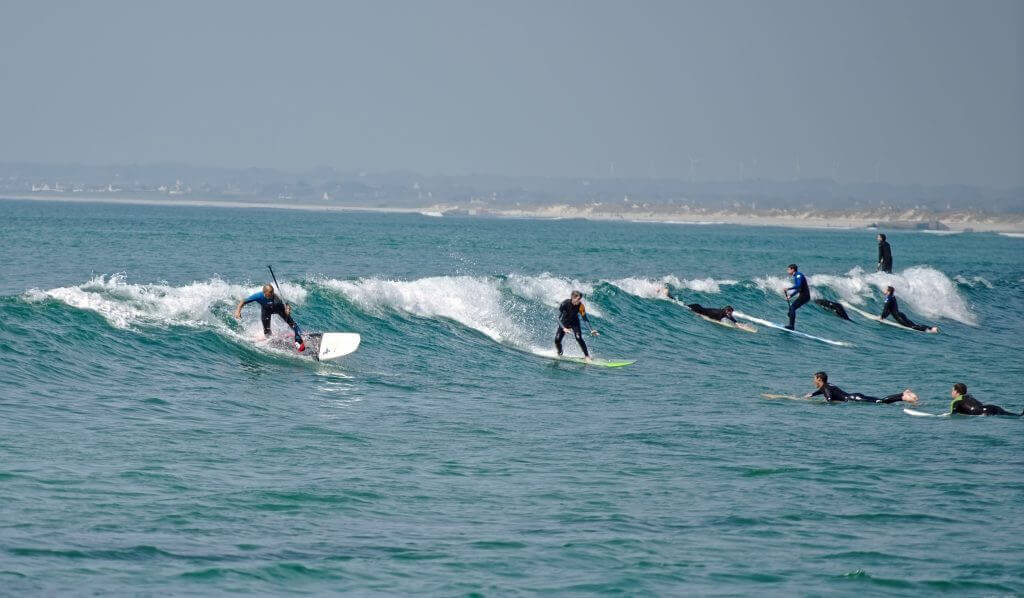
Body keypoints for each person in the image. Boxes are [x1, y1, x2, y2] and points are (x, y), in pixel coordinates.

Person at [234, 284, 305, 351]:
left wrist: (288, 309)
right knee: (266, 331)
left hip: (279, 309)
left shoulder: (276, 297)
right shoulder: (258, 296)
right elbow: (243, 301)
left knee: (292, 323)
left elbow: (287, 304)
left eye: (273, 291)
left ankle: (300, 336)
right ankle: (271, 341)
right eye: (270, 292)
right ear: (264, 292)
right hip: (266, 311)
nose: (272, 293)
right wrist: (238, 311)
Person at [804, 371, 919, 404]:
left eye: (814, 378)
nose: (813, 380)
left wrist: (824, 402)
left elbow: (829, 399)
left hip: (854, 399)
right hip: (855, 396)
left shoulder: (826, 388)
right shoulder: (827, 385)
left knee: (880, 401)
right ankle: (902, 394)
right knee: (879, 400)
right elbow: (821, 391)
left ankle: (903, 397)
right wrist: (812, 395)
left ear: (820, 379)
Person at [555, 290, 598, 361]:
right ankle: (560, 353)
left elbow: (585, 319)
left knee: (578, 337)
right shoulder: (564, 304)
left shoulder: (581, 306)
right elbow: (557, 318)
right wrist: (564, 328)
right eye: (578, 299)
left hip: (575, 323)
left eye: (580, 299)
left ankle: (587, 356)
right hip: (564, 323)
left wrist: (591, 330)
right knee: (557, 339)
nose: (579, 301)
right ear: (572, 297)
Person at [949, 383, 1021, 416]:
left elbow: (953, 415)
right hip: (991, 407)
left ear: (956, 391)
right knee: (1017, 416)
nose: (951, 392)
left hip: (984, 413)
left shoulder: (955, 402)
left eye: (952, 390)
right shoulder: (969, 396)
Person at [781, 263, 810, 330]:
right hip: (804, 296)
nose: (787, 271)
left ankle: (791, 326)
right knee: (791, 310)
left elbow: (798, 286)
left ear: (793, 269)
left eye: (788, 269)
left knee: (792, 308)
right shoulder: (796, 276)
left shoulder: (798, 275)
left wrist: (788, 288)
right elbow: (799, 289)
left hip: (804, 296)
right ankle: (791, 323)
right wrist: (790, 296)